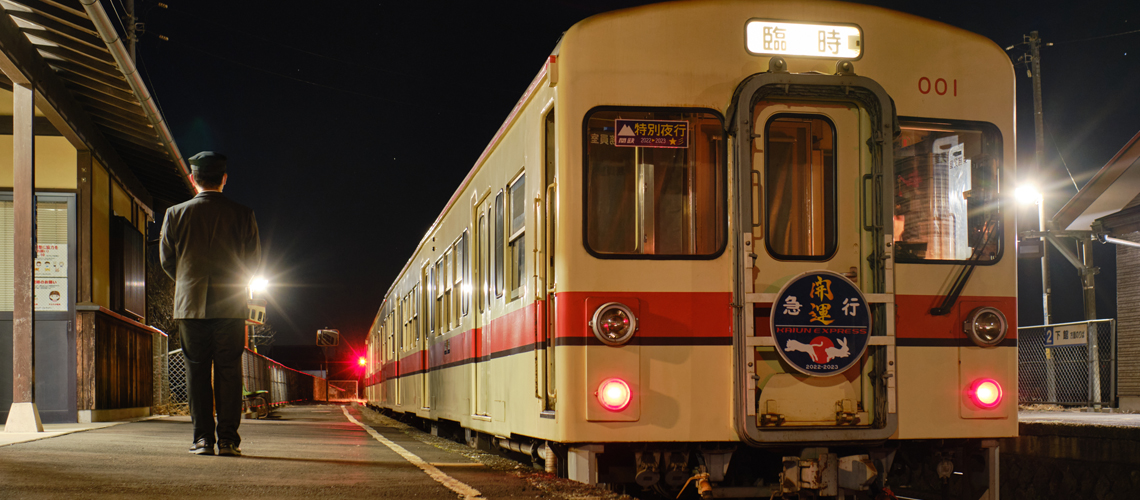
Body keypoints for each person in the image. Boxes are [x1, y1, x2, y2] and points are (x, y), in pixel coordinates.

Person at [160, 151, 261, 457]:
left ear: (193, 179)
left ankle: (203, 439)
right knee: (229, 372)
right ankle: (229, 440)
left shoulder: (175, 214)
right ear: (224, 179)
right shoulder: (243, 214)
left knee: (197, 373)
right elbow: (253, 262)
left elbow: (167, 261)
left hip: (190, 307)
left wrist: (188, 283)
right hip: (231, 308)